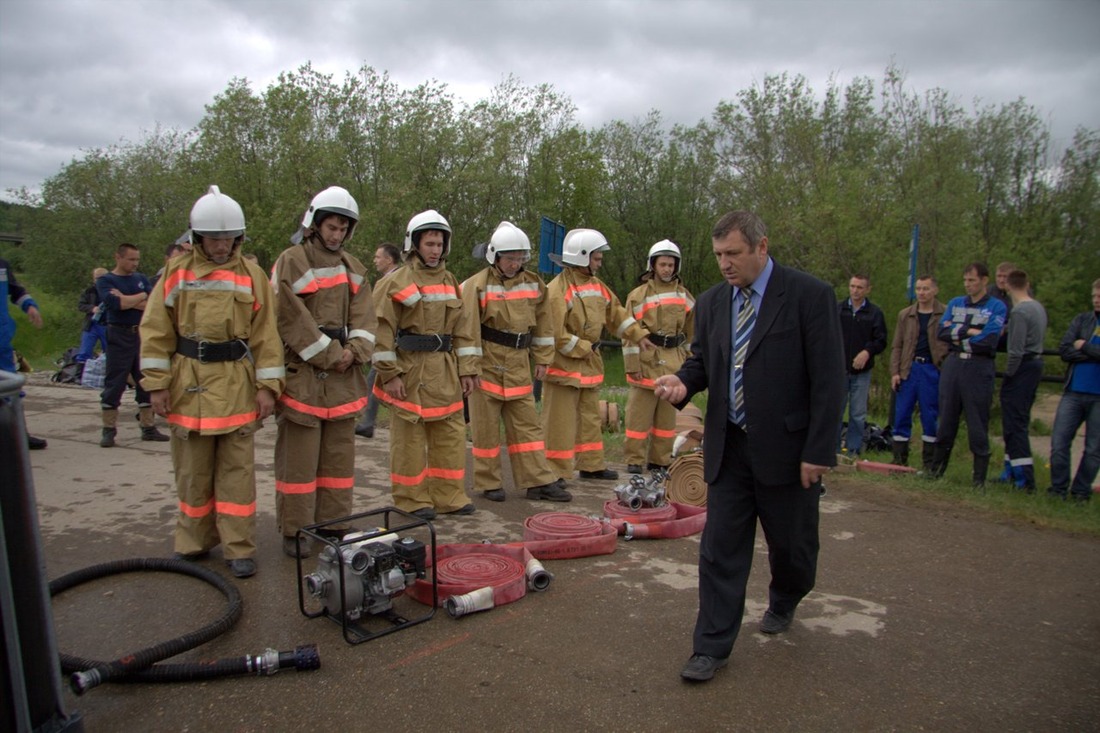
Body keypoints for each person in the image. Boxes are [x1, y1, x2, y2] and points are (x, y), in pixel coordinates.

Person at [653, 210, 845, 683]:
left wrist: (818, 450)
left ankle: (786, 597)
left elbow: (829, 379)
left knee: (793, 549)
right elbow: (704, 361)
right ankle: (710, 647)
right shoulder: (715, 303)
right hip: (730, 447)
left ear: (762, 247)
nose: (724, 264)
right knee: (720, 550)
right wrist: (682, 382)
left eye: (733, 253)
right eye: (718, 255)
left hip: (787, 450)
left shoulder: (809, 296)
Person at [140, 185, 284, 579]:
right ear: (196, 237)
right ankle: (194, 541)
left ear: (238, 237)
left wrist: (268, 388)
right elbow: (155, 331)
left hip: (236, 383)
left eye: (228, 238)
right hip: (188, 383)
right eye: (214, 238)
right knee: (191, 471)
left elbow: (266, 337)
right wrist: (156, 383)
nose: (222, 246)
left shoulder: (252, 276)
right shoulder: (176, 273)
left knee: (237, 473)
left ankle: (239, 547)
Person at [272, 186, 377, 558]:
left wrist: (356, 351)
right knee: (298, 463)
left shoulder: (354, 268)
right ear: (314, 225)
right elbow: (290, 317)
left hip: (344, 379)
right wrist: (333, 354)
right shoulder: (292, 260)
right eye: (331, 227)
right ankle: (295, 530)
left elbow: (365, 318)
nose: (336, 235)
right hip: (304, 375)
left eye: (343, 229)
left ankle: (334, 525)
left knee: (338, 459)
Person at [372, 209, 479, 520]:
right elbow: (381, 332)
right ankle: (411, 499)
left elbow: (464, 330)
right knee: (409, 441)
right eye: (430, 243)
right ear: (414, 244)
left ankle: (449, 496)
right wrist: (389, 374)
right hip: (410, 370)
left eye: (439, 244)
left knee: (450, 436)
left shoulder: (450, 281)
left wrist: (467, 369)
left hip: (445, 369)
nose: (435, 250)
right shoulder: (395, 282)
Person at [462, 221, 571, 503]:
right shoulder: (476, 285)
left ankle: (537, 482)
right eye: (510, 258)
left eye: (520, 257)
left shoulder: (535, 284)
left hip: (520, 363)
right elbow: (468, 331)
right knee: (485, 428)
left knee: (528, 427)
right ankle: (489, 482)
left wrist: (544, 359)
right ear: (494, 256)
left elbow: (545, 325)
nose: (515, 263)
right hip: (486, 362)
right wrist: (469, 369)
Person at [542, 229, 651, 483]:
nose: (600, 263)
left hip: (588, 365)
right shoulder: (558, 289)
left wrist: (639, 335)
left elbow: (617, 316)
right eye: (597, 258)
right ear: (582, 257)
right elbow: (555, 335)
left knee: (590, 418)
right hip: (563, 368)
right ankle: (555, 472)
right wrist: (584, 349)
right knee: (559, 423)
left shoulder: (597, 286)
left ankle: (591, 465)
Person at [926, 262, 1008, 486]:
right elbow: (942, 332)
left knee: (977, 422)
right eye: (965, 280)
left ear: (984, 280)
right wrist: (969, 332)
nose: (968, 285)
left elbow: (990, 339)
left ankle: (978, 478)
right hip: (953, 365)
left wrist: (959, 335)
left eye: (972, 280)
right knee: (946, 420)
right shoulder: (955, 303)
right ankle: (936, 470)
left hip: (979, 368)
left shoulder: (996, 307)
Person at [622, 239, 695, 474]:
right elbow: (628, 332)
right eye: (663, 264)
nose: (667, 269)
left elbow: (693, 331)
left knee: (666, 421)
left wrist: (691, 362)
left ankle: (660, 460)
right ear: (652, 265)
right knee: (638, 417)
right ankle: (634, 460)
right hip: (647, 360)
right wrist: (632, 365)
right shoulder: (638, 295)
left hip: (674, 361)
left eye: (671, 265)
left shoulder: (685, 296)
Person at [96, 243, 168, 447]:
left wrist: (131, 299)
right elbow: (114, 304)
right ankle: (109, 429)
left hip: (141, 334)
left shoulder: (140, 279)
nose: (135, 263)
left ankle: (148, 427)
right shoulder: (106, 280)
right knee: (115, 381)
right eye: (131, 259)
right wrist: (140, 297)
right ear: (118, 257)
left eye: (137, 259)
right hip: (118, 334)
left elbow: (153, 303)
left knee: (145, 380)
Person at [1046, 279, 1100, 503]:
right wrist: (1091, 351)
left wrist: (1084, 346)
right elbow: (1065, 349)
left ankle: (1080, 492)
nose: (1096, 300)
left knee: (1094, 448)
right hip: (1073, 391)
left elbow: (1077, 347)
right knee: (1059, 443)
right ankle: (1058, 488)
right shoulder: (1082, 319)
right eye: (1094, 296)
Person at [888, 276, 947, 469]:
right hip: (909, 369)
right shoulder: (906, 315)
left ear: (935, 291)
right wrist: (895, 371)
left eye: (926, 289)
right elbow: (897, 345)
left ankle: (929, 463)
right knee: (902, 412)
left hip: (932, 369)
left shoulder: (945, 313)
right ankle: (899, 459)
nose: (922, 293)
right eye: (919, 289)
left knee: (930, 415)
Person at [996, 269, 1047, 492]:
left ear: (1007, 286)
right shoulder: (1037, 307)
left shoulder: (1019, 312)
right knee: (1018, 421)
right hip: (1035, 363)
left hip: (1023, 367)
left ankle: (1024, 479)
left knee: (1014, 423)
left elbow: (1015, 351)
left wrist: (1009, 375)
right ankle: (1011, 470)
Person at [836, 274, 887, 456]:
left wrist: (867, 352)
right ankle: (832, 450)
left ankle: (853, 450)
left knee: (857, 413)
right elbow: (827, 335)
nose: (855, 291)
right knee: (835, 410)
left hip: (862, 371)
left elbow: (881, 340)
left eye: (859, 287)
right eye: (852, 286)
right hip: (839, 369)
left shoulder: (874, 313)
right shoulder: (838, 309)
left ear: (867, 290)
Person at [0, 257, 48, 449]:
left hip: (1, 338)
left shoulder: (2, 265)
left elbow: (16, 290)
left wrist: (30, 306)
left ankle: (19, 434)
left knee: (11, 387)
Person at [355, 242, 402, 438]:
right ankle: (368, 422)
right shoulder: (391, 279)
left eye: (378, 257)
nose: (375, 260)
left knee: (375, 380)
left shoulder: (394, 281)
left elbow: (380, 316)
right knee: (374, 381)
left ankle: (369, 422)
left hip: (393, 346)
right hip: (389, 345)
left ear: (389, 260)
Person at [75, 267, 109, 363]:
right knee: (84, 352)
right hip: (91, 324)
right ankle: (80, 374)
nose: (99, 280)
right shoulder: (89, 291)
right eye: (97, 278)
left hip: (108, 325)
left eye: (102, 278)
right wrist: (92, 308)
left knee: (110, 352)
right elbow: (81, 305)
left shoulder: (113, 291)